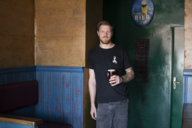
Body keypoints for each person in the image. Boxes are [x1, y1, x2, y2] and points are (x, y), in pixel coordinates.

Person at [88, 20, 135, 128]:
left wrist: (121, 78)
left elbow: (131, 73)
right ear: (98, 33)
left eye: (108, 31)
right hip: (102, 103)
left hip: (121, 102)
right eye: (102, 31)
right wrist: (92, 105)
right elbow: (92, 80)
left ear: (112, 33)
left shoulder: (121, 51)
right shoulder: (92, 54)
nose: (105, 34)